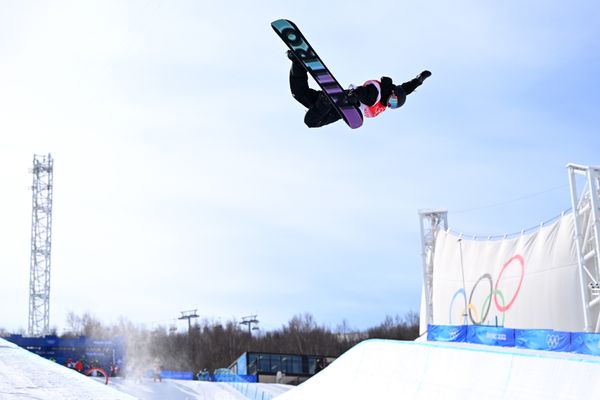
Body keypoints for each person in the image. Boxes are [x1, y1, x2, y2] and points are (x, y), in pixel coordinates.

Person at [287, 50, 431, 128]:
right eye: (392, 101)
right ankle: (326, 102)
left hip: (340, 99)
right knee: (312, 122)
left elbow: (405, 90)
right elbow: (364, 93)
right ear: (392, 93)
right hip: (343, 106)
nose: (389, 104)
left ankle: (297, 63)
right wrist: (353, 97)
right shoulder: (377, 94)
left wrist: (418, 81)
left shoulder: (387, 95)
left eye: (392, 106)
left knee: (299, 93)